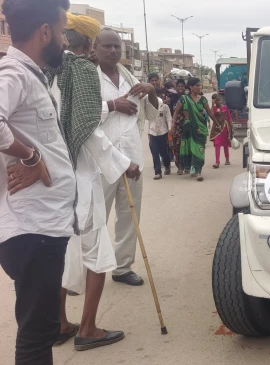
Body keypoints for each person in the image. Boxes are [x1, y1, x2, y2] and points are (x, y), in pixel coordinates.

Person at [46, 13, 137, 351]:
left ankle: (58, 323)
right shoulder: (81, 70)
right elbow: (88, 130)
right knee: (96, 253)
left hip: (50, 180)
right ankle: (88, 329)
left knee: (61, 252)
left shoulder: (45, 70)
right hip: (80, 177)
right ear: (89, 44)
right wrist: (124, 164)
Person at [0, 0, 75, 363]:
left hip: (43, 228)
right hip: (34, 231)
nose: (63, 41)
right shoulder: (13, 73)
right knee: (36, 338)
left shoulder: (31, 76)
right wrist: (31, 156)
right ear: (44, 32)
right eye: (62, 32)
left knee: (39, 334)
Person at [95, 28, 159, 286]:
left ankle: (122, 268)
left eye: (117, 47)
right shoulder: (89, 78)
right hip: (100, 160)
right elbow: (81, 116)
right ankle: (88, 270)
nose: (112, 50)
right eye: (107, 46)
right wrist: (113, 105)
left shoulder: (130, 78)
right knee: (95, 219)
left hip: (132, 158)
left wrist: (152, 91)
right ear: (95, 47)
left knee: (129, 216)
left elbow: (153, 116)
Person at [171, 77, 220, 181]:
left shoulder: (202, 99)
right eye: (197, 85)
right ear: (191, 87)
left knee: (200, 149)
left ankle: (198, 171)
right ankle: (191, 167)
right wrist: (173, 125)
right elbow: (176, 112)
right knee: (190, 149)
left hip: (200, 128)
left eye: (199, 85)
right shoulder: (184, 99)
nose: (199, 87)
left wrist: (217, 124)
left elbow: (210, 113)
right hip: (188, 127)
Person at [148, 88, 172, 179]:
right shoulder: (149, 107)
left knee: (164, 153)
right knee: (154, 153)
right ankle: (157, 172)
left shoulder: (165, 107)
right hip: (153, 133)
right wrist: (148, 132)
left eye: (159, 94)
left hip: (163, 133)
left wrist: (170, 130)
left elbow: (169, 118)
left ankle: (167, 165)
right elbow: (149, 120)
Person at [210, 94, 232, 168]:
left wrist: (231, 127)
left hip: (225, 128)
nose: (218, 101)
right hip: (217, 129)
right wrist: (212, 105)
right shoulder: (214, 108)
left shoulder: (225, 107)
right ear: (214, 101)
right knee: (217, 144)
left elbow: (229, 117)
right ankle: (217, 162)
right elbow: (211, 114)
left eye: (219, 100)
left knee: (225, 144)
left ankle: (227, 159)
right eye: (216, 100)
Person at [169, 79, 186, 174]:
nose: (180, 88)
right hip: (176, 126)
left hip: (187, 125)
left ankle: (186, 166)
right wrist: (172, 125)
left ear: (185, 87)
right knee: (177, 146)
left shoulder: (188, 98)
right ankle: (179, 166)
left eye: (182, 86)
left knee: (187, 146)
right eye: (178, 86)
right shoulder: (173, 98)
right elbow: (172, 112)